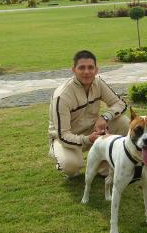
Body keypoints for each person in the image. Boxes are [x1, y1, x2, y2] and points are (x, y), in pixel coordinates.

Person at [48, 50, 130, 178]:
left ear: (96, 70)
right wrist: (88, 139)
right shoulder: (62, 96)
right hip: (65, 138)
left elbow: (120, 104)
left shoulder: (98, 83)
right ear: (73, 70)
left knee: (124, 122)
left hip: (93, 131)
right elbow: (63, 135)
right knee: (71, 167)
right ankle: (59, 156)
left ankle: (103, 168)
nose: (86, 72)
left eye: (90, 67)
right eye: (82, 68)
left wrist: (104, 117)